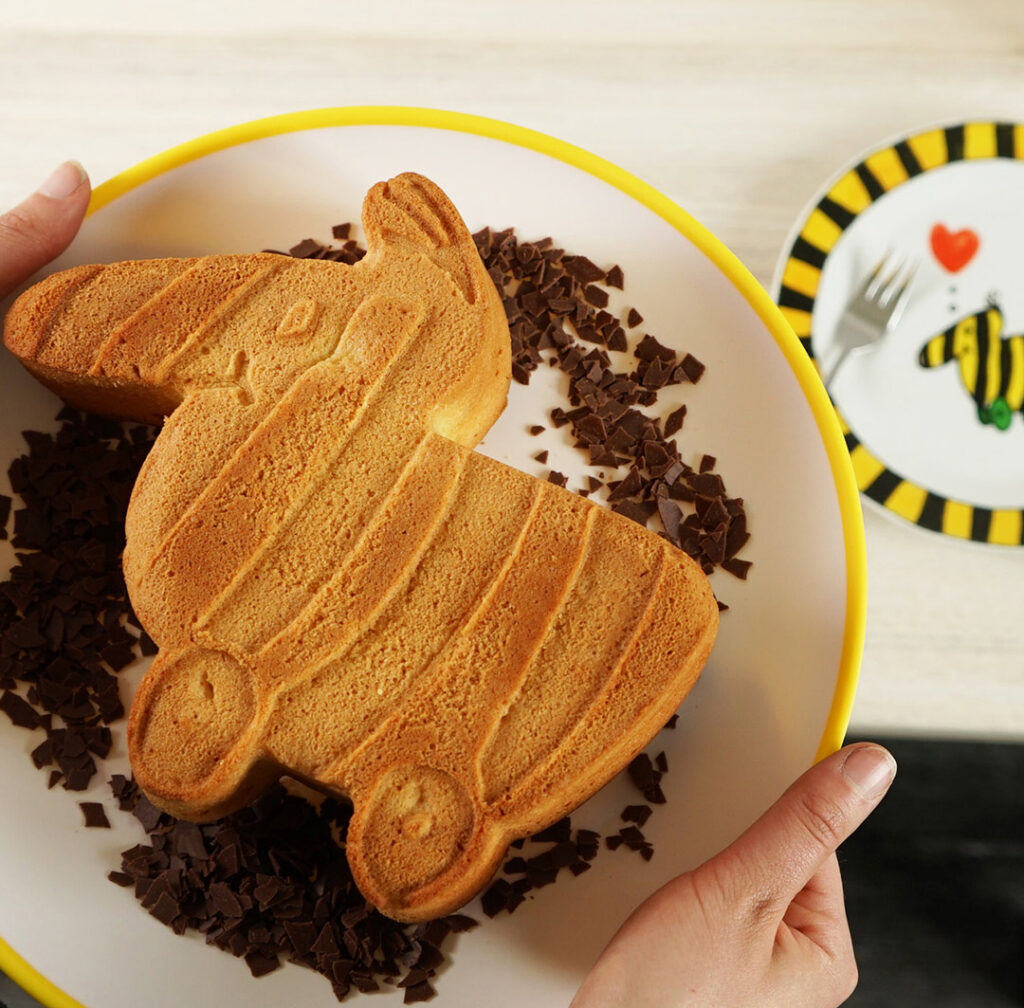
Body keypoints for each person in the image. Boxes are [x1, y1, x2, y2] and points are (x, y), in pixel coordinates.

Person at [0, 163, 897, 1008]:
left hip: (553, 634)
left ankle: (433, 784)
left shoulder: (367, 392)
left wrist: (422, 273)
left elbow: (441, 334)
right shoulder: (195, 534)